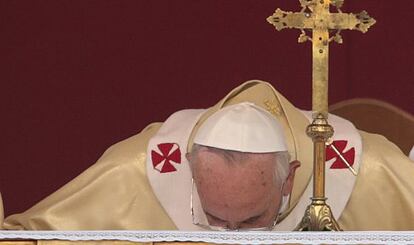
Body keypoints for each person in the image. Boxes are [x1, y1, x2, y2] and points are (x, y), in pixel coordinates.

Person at [1, 80, 414, 231]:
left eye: (252, 221)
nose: (232, 237)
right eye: (215, 220)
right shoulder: (139, 169)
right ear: (190, 172)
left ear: (289, 178)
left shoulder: (368, 170)